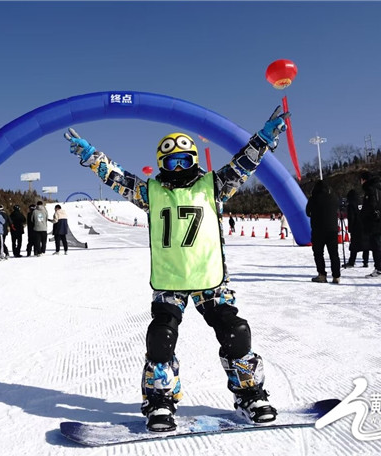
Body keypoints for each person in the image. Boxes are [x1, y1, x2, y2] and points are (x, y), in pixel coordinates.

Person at [63, 106, 289, 432]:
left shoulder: (214, 186)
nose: (180, 166)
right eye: (172, 162)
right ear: (161, 164)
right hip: (171, 281)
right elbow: (118, 177)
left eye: (186, 160)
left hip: (210, 278)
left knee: (236, 332)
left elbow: (243, 165)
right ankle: (160, 400)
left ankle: (250, 394)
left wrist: (264, 139)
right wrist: (90, 155)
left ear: (195, 160)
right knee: (160, 337)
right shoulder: (151, 193)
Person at [305, 180, 341, 284]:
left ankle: (322, 275)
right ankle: (336, 276)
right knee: (334, 254)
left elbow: (308, 212)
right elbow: (338, 208)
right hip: (332, 229)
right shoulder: (333, 198)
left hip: (318, 230)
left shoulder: (313, 198)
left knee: (318, 253)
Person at [343, 189, 369, 268]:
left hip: (356, 227)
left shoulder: (351, 204)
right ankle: (366, 261)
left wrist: (350, 228)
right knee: (366, 245)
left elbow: (351, 217)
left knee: (354, 245)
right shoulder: (362, 201)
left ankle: (351, 262)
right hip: (365, 225)